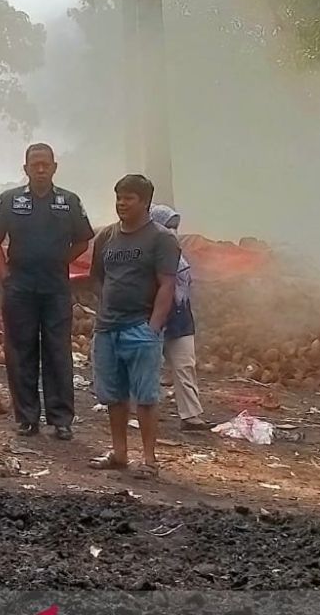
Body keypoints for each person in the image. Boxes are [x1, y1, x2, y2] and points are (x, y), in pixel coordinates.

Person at [0, 144, 94, 440]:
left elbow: (84, 241)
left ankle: (61, 420)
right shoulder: (9, 200)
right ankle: (27, 418)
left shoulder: (69, 202)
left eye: (46, 164)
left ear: (55, 167)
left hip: (56, 286)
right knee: (21, 351)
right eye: (35, 165)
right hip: (19, 285)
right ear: (26, 169)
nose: (40, 169)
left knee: (58, 350)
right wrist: (4, 276)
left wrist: (61, 260)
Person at [87, 174, 180, 480]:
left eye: (129, 198)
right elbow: (97, 277)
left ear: (145, 203)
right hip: (107, 328)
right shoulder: (106, 237)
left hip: (140, 327)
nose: (121, 203)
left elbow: (168, 284)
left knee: (146, 397)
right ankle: (119, 452)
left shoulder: (161, 238)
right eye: (118, 197)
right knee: (113, 395)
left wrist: (153, 327)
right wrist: (106, 306)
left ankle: (150, 460)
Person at [149, 204, 212, 431]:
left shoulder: (181, 259)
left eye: (175, 227)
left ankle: (191, 416)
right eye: (168, 226)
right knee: (145, 368)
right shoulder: (146, 255)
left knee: (185, 366)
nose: (173, 232)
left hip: (180, 320)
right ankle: (135, 413)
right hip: (153, 319)